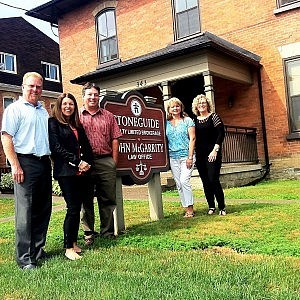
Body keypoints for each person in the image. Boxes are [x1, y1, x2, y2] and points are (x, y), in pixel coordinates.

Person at [1, 72, 52, 269]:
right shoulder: (14, 109)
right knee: (25, 212)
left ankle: (37, 251)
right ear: (23, 87)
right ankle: (24, 258)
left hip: (43, 163)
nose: (35, 90)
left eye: (38, 87)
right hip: (25, 163)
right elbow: (6, 138)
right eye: (31, 86)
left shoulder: (43, 111)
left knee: (43, 209)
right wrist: (15, 165)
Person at [48, 93, 93, 260]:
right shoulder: (53, 123)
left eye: (71, 104)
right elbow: (56, 148)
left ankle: (74, 243)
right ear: (59, 106)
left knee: (77, 207)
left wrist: (87, 162)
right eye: (65, 104)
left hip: (82, 172)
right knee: (72, 208)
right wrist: (77, 161)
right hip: (66, 172)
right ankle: (68, 248)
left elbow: (86, 146)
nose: (68, 107)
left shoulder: (77, 125)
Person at [80, 82, 122, 244]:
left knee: (107, 198)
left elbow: (115, 139)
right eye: (89, 94)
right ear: (83, 97)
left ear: (99, 96)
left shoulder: (108, 116)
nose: (92, 97)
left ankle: (107, 232)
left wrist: (114, 161)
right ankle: (89, 233)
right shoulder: (77, 116)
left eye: (95, 94)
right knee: (86, 199)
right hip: (85, 163)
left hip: (105, 161)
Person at [192, 94, 226, 216]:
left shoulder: (214, 117)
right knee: (205, 181)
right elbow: (192, 137)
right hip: (200, 155)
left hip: (213, 153)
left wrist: (215, 150)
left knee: (213, 179)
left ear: (207, 104)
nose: (201, 105)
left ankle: (222, 207)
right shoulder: (194, 120)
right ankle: (211, 206)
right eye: (199, 103)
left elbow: (221, 133)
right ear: (196, 106)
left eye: (203, 103)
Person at [166, 97, 196, 218]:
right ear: (169, 109)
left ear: (181, 107)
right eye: (172, 106)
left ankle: (190, 209)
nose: (175, 108)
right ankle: (186, 207)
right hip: (173, 157)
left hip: (186, 156)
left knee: (184, 181)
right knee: (178, 183)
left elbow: (192, 139)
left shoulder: (187, 120)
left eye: (177, 106)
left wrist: (190, 157)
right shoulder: (166, 123)